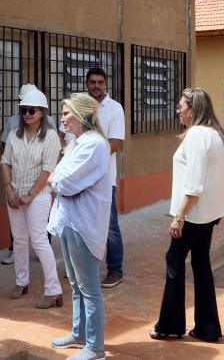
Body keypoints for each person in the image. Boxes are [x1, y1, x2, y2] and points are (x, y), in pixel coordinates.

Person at [150, 88, 224, 343]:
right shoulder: (216, 135)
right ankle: (207, 328)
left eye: (181, 106)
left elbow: (195, 185)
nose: (178, 110)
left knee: (174, 259)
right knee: (200, 262)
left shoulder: (197, 135)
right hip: (208, 213)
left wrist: (180, 217)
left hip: (194, 214)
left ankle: (170, 325)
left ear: (193, 108)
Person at [47, 93, 112, 360]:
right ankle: (79, 334)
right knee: (75, 284)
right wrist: (56, 178)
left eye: (66, 113)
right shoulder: (78, 143)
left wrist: (55, 179)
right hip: (70, 221)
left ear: (82, 114)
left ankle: (95, 347)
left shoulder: (94, 145)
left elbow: (65, 182)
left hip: (83, 224)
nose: (62, 118)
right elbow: (60, 177)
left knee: (89, 286)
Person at [1, 85, 63, 309]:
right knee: (19, 240)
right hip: (15, 194)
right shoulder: (14, 134)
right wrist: (9, 190)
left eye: (32, 110)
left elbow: (48, 170)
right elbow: (5, 162)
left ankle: (54, 290)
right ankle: (21, 282)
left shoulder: (51, 137)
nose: (27, 114)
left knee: (39, 241)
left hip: (38, 196)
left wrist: (30, 195)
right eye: (24, 110)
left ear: (42, 112)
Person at [84, 68, 126, 288]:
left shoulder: (114, 108)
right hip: (79, 179)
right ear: (86, 84)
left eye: (100, 82)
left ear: (106, 84)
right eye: (92, 82)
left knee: (109, 225)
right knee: (82, 224)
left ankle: (115, 270)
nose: (96, 86)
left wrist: (86, 160)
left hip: (104, 178)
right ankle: (83, 267)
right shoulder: (79, 106)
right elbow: (65, 135)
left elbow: (115, 143)